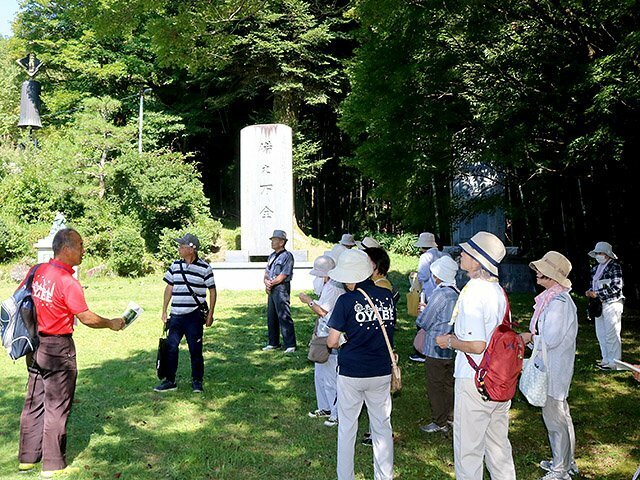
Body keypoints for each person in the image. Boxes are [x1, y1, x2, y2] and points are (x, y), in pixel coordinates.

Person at [18, 228, 125, 478]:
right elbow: (86, 318)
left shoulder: (38, 271)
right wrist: (110, 322)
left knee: (33, 401)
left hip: (35, 346)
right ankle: (53, 464)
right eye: (79, 244)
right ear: (66, 249)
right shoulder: (68, 282)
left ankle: (27, 458)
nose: (83, 250)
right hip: (58, 349)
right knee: (57, 405)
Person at [435, 231, 516, 480]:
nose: (461, 254)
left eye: (467, 252)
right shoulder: (498, 291)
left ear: (479, 260)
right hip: (499, 378)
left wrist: (448, 341)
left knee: (468, 449)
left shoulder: (473, 292)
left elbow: (477, 344)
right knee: (498, 445)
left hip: (474, 378)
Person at [327, 249, 396, 480]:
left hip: (352, 372)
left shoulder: (345, 301)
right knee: (382, 426)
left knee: (347, 428)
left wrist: (346, 338)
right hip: (381, 370)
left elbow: (331, 341)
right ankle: (384, 476)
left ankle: (345, 476)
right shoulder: (387, 295)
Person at [521, 251, 579, 480]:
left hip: (554, 368)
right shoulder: (553, 298)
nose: (537, 274)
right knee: (561, 415)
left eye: (541, 272)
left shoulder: (559, 303)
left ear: (552, 276)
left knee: (555, 419)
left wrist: (529, 337)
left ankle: (560, 469)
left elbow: (551, 338)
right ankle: (566, 460)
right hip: (554, 365)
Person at [155, 233, 217, 393]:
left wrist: (210, 314)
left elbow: (212, 291)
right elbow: (169, 288)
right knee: (171, 348)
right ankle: (170, 381)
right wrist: (164, 310)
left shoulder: (205, 268)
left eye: (182, 246)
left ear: (192, 249)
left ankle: (197, 381)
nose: (179, 249)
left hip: (194, 316)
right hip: (175, 315)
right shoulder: (175, 265)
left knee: (195, 350)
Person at [299, 255, 344, 427]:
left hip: (331, 334)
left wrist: (309, 301)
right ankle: (324, 407)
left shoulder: (333, 287)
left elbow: (323, 311)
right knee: (320, 373)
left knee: (331, 376)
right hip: (323, 333)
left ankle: (336, 413)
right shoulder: (328, 285)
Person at [416, 256, 459, 434]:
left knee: (435, 385)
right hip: (453, 346)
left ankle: (439, 421)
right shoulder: (458, 293)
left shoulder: (440, 294)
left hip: (435, 347)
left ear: (439, 276)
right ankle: (450, 416)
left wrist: (422, 311)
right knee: (449, 383)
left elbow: (424, 321)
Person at [585, 241, 624, 371]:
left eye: (600, 253)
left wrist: (597, 294)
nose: (598, 255)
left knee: (611, 333)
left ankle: (615, 362)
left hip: (612, 303)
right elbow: (593, 285)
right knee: (601, 333)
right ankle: (605, 359)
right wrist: (590, 292)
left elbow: (617, 287)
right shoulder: (595, 269)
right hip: (599, 305)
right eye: (596, 253)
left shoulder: (615, 266)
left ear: (607, 254)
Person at [411, 232, 449, 362]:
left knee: (424, 322)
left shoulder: (425, 257)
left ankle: (421, 350)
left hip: (429, 293)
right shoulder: (444, 254)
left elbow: (423, 276)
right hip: (444, 292)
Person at [263, 230, 296, 352]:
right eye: (272, 240)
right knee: (271, 316)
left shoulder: (287, 256)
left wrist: (271, 284)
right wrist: (266, 281)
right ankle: (273, 342)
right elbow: (267, 272)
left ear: (282, 242)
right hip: (272, 288)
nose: (272, 242)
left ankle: (290, 344)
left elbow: (284, 274)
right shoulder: (272, 256)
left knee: (284, 315)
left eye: (275, 240)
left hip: (281, 288)